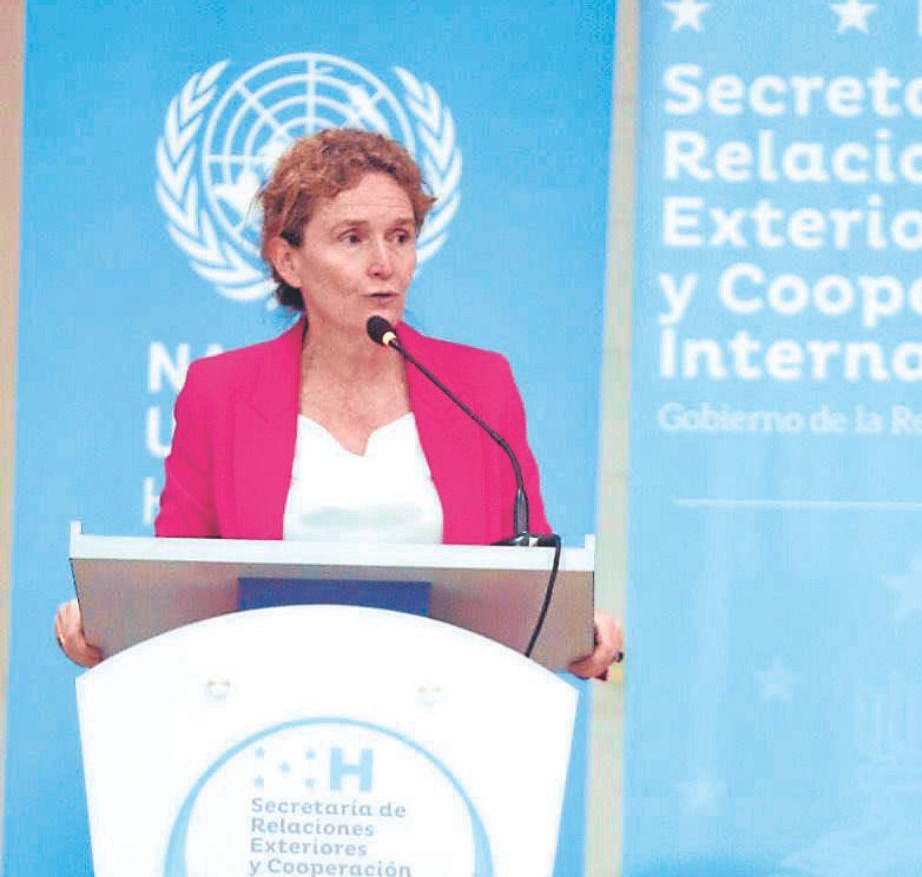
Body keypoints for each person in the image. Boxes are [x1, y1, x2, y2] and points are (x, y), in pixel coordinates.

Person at [56, 128, 623, 678]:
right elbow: (175, 577)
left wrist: (580, 630)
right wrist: (105, 622)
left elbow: (531, 576)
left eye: (400, 236)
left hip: (443, 700)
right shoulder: (220, 392)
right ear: (288, 261)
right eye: (352, 238)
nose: (384, 263)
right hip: (265, 701)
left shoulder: (479, 385)